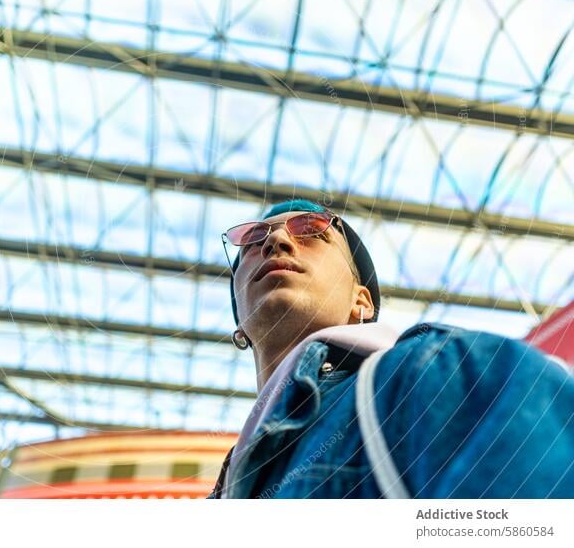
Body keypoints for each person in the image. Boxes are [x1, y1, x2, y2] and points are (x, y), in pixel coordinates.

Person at [208, 198, 574, 498]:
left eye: (311, 230)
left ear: (361, 303)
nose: (276, 242)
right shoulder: (221, 496)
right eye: (254, 239)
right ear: (239, 324)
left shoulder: (432, 376)